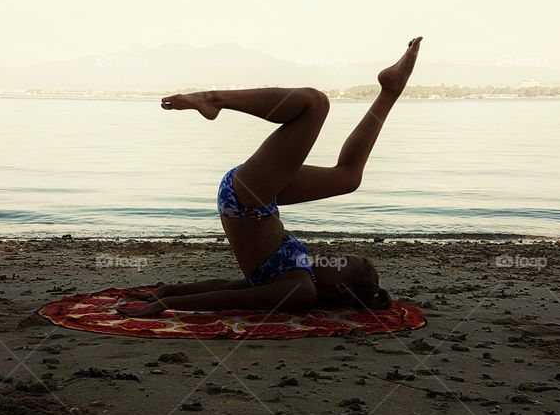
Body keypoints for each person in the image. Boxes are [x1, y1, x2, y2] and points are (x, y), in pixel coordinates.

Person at [118, 37, 421, 317]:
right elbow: (233, 285)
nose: (334, 256)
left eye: (342, 263)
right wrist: (168, 291)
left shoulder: (301, 290)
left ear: (342, 287)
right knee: (348, 178)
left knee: (314, 104)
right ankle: (390, 91)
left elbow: (231, 300)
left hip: (246, 201)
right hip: (259, 200)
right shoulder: (299, 276)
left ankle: (213, 99)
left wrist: (167, 305)